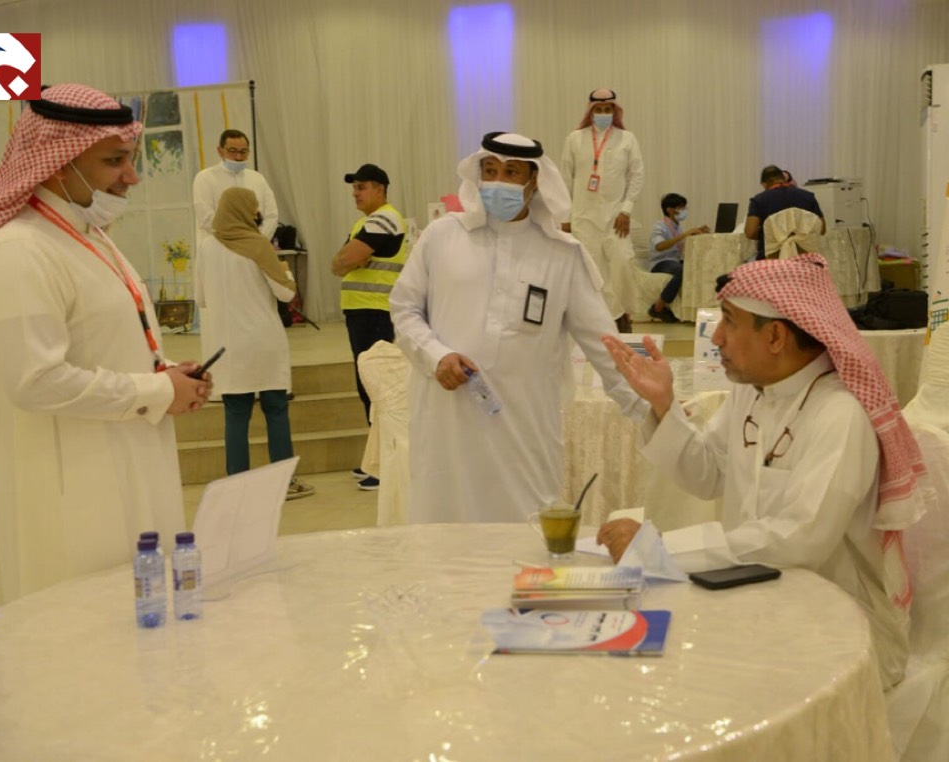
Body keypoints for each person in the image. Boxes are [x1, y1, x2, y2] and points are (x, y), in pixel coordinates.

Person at [596, 253, 930, 689]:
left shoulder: (839, 414)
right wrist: (663, 403)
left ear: (775, 336)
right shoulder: (752, 393)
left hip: (839, 625)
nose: (716, 337)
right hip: (755, 599)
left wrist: (659, 549)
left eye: (729, 321)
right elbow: (707, 474)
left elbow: (800, 538)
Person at [0, 84, 211, 601]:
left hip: (130, 455)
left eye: (129, 159)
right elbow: (35, 381)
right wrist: (156, 391)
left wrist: (168, 375)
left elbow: (105, 342)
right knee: (84, 621)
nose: (131, 176)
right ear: (58, 165)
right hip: (75, 488)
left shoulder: (85, 235)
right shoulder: (17, 251)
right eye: (114, 161)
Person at [390, 132, 645, 523]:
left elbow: (603, 342)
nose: (498, 182)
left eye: (511, 173)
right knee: (443, 529)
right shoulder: (442, 236)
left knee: (523, 533)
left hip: (524, 428)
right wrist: (436, 355)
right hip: (447, 424)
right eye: (490, 171)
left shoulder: (562, 254)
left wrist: (649, 406)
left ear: (534, 180)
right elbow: (404, 307)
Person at [196, 186, 313, 499]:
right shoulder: (258, 244)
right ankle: (284, 483)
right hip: (262, 342)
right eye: (253, 208)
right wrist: (286, 274)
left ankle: (236, 486)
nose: (256, 213)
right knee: (275, 411)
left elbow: (201, 298)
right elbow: (285, 294)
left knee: (236, 414)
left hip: (226, 347)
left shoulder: (206, 247)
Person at [330, 163, 408, 492]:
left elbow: (345, 261)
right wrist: (347, 259)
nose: (355, 193)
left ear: (380, 189)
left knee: (378, 390)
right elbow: (338, 263)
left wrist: (349, 259)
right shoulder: (365, 222)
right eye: (354, 187)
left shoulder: (384, 219)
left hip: (375, 311)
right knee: (368, 388)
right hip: (362, 311)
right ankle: (377, 459)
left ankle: (387, 463)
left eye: (361, 187)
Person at [560, 88, 644, 334]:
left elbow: (637, 175)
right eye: (599, 109)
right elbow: (565, 180)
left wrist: (626, 210)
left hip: (616, 218)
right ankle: (605, 319)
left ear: (615, 111)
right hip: (583, 218)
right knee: (592, 270)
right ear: (591, 111)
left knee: (622, 263)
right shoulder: (574, 139)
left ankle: (622, 313)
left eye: (608, 109)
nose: (604, 113)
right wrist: (565, 218)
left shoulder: (627, 139)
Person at [192, 129, 279, 246]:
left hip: (253, 246)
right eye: (232, 151)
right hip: (218, 246)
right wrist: (237, 240)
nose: (238, 157)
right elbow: (206, 218)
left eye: (243, 152)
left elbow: (271, 215)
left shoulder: (257, 178)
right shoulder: (206, 178)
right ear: (220, 151)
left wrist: (258, 239)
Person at [647, 192, 709, 323]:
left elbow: (680, 245)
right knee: (683, 270)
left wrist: (695, 234)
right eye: (681, 207)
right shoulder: (659, 226)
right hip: (660, 262)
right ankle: (658, 306)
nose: (684, 210)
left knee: (698, 266)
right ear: (670, 210)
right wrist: (685, 235)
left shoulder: (677, 227)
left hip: (674, 260)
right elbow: (659, 246)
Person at [744, 165, 824, 260]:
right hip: (805, 257)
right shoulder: (808, 197)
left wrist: (772, 235)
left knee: (746, 260)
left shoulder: (758, 200)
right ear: (784, 179)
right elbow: (822, 228)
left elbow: (750, 232)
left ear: (764, 184)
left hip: (771, 258)